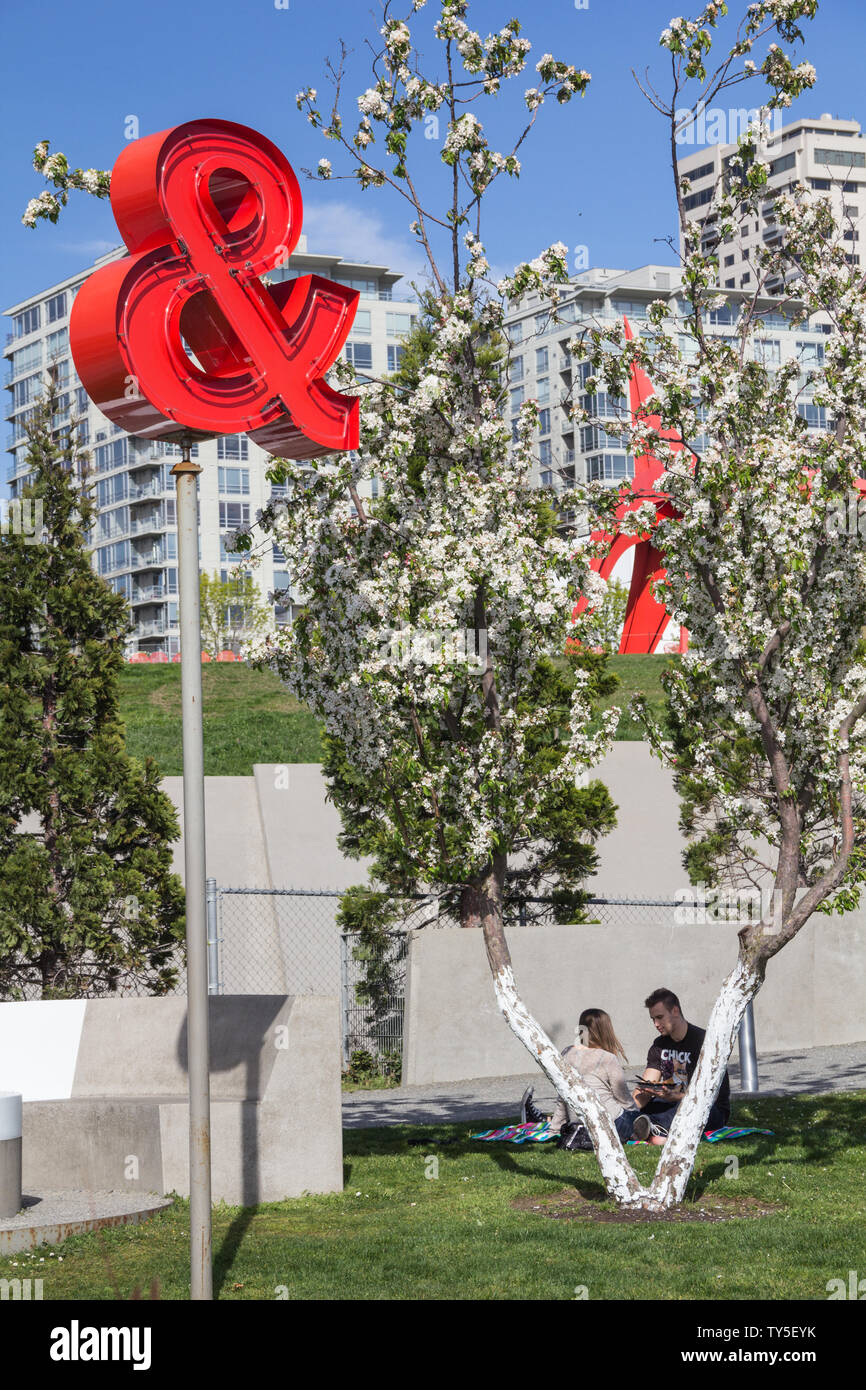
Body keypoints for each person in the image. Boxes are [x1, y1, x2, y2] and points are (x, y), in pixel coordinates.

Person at [522, 1007, 640, 1148]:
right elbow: (623, 1098)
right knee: (632, 1116)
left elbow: (563, 1096)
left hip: (578, 1122)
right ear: (606, 1031)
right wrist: (634, 1114)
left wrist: (555, 1127)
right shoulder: (608, 1058)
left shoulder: (567, 1053)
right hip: (608, 1120)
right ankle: (638, 1129)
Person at [632, 987, 731, 1145]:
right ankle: (645, 1128)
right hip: (671, 1101)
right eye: (653, 1019)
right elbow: (648, 1081)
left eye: (659, 1017)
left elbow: (707, 1096)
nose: (656, 1024)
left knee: (688, 1108)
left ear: (675, 1011)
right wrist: (630, 1109)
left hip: (708, 1107)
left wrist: (675, 1096)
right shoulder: (659, 1045)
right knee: (647, 1107)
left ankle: (651, 1129)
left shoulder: (704, 1042)